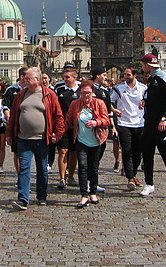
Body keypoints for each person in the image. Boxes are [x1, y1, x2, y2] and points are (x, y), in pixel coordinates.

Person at [5, 67, 66, 210]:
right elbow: (14, 115)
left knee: (42, 169)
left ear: (37, 80)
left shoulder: (48, 95)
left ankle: (42, 196)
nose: (25, 80)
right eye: (25, 78)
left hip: (42, 138)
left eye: (28, 78)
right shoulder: (21, 95)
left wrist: (58, 133)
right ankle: (23, 199)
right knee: (24, 168)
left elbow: (58, 115)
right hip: (23, 138)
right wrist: (9, 133)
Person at [138, 54, 166, 200]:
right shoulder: (151, 79)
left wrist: (165, 118)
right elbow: (153, 97)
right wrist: (144, 101)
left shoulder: (163, 77)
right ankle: (149, 184)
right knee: (148, 155)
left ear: (148, 65)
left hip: (161, 125)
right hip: (149, 124)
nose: (142, 67)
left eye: (143, 64)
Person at [65, 80, 110, 208]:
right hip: (81, 140)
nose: (86, 96)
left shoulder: (99, 103)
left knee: (93, 168)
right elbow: (68, 120)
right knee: (83, 167)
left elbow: (106, 119)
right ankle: (84, 195)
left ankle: (93, 193)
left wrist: (96, 122)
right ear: (80, 93)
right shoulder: (75, 104)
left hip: (96, 140)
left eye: (88, 93)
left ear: (93, 93)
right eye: (84, 93)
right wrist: (57, 133)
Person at [111, 66, 146, 191]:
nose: (125, 77)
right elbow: (108, 101)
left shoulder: (143, 88)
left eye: (128, 74)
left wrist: (145, 102)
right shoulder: (119, 88)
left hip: (139, 123)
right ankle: (130, 177)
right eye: (124, 75)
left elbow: (149, 101)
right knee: (126, 150)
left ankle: (134, 173)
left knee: (138, 152)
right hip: (124, 123)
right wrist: (114, 110)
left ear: (135, 75)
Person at [55, 67, 81, 189]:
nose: (65, 79)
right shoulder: (59, 90)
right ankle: (62, 178)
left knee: (73, 152)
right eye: (64, 77)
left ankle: (70, 176)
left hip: (76, 126)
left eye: (67, 77)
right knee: (62, 151)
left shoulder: (81, 91)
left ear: (74, 77)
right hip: (62, 125)